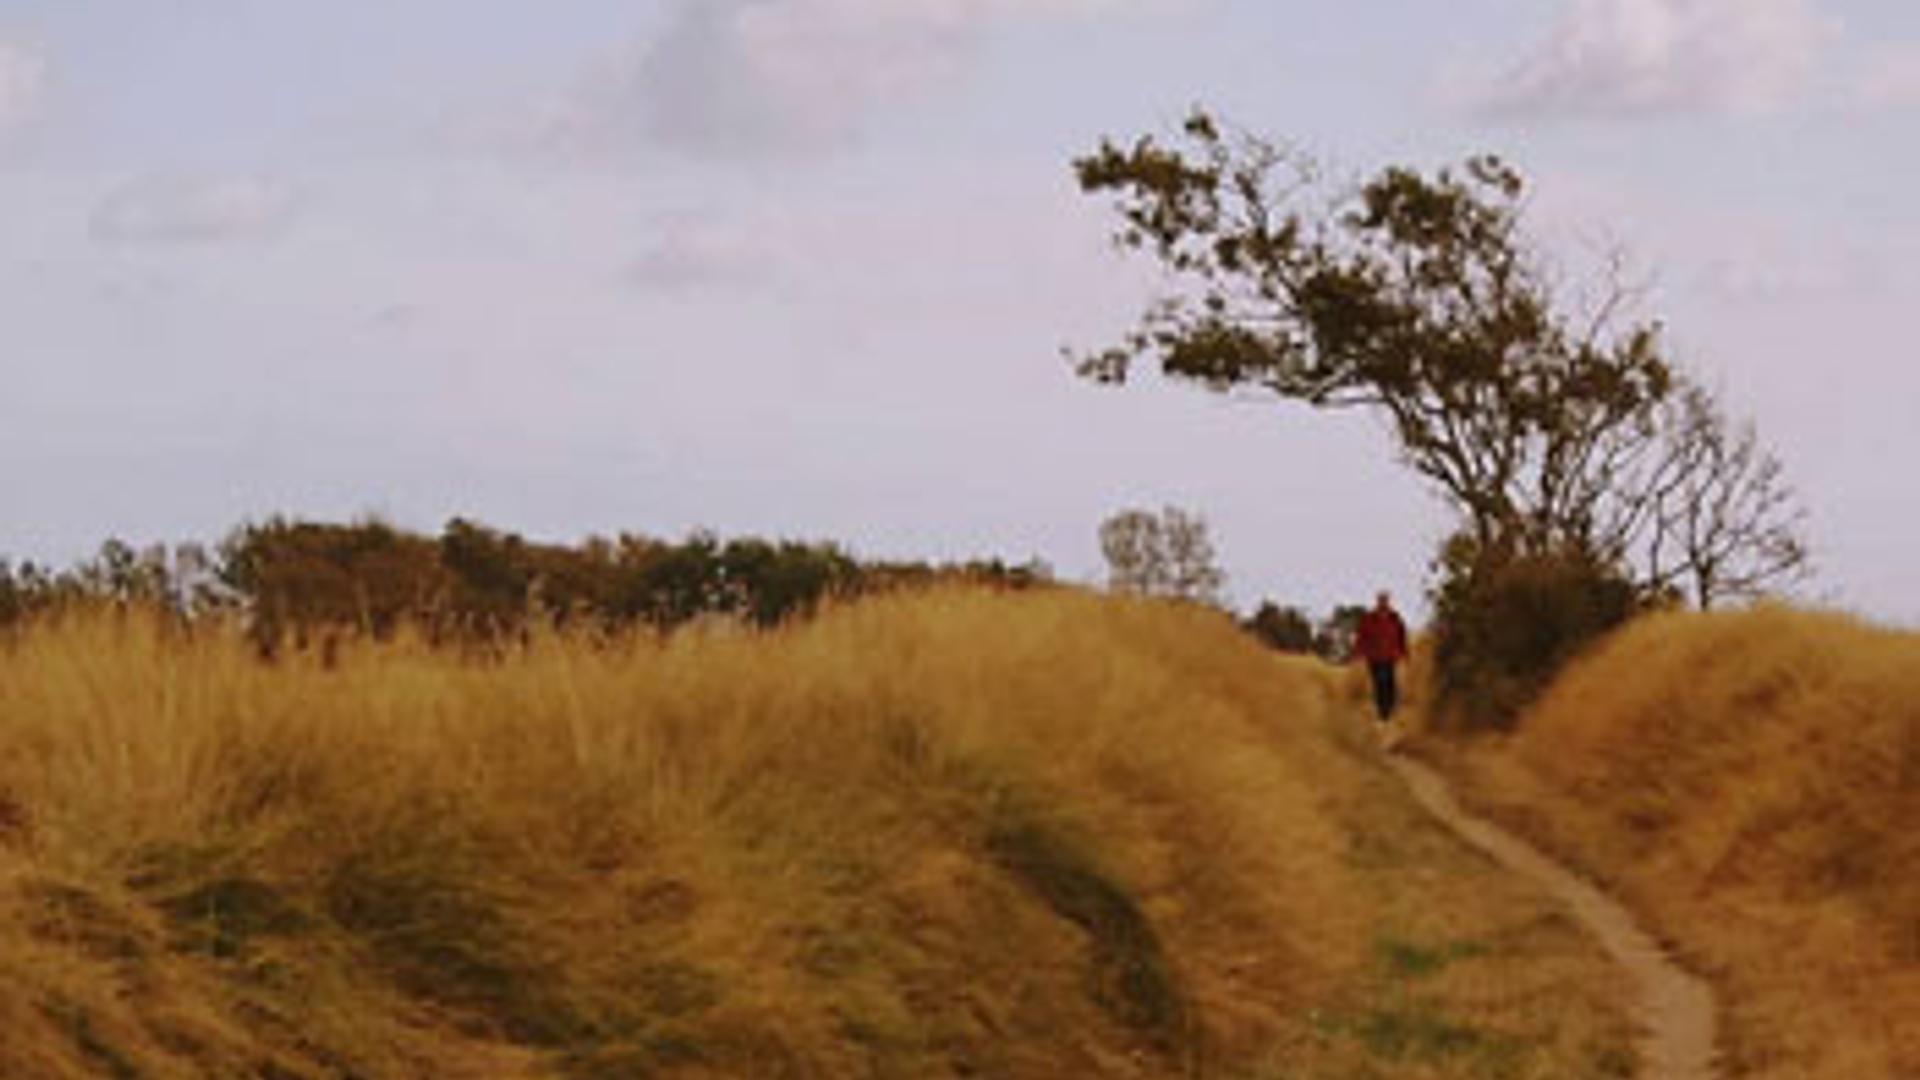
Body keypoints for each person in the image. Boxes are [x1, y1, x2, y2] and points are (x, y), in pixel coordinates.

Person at [1352, 591, 1409, 723]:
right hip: (1374, 658)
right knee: (1379, 685)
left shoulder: (1395, 619)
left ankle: (1389, 715)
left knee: (1391, 686)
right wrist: (1357, 654)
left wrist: (1405, 654)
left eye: (1385, 600)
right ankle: (1381, 716)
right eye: (1381, 600)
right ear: (1377, 602)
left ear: (1388, 602)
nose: (1383, 603)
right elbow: (1361, 637)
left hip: (1391, 657)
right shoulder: (1369, 619)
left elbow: (1402, 637)